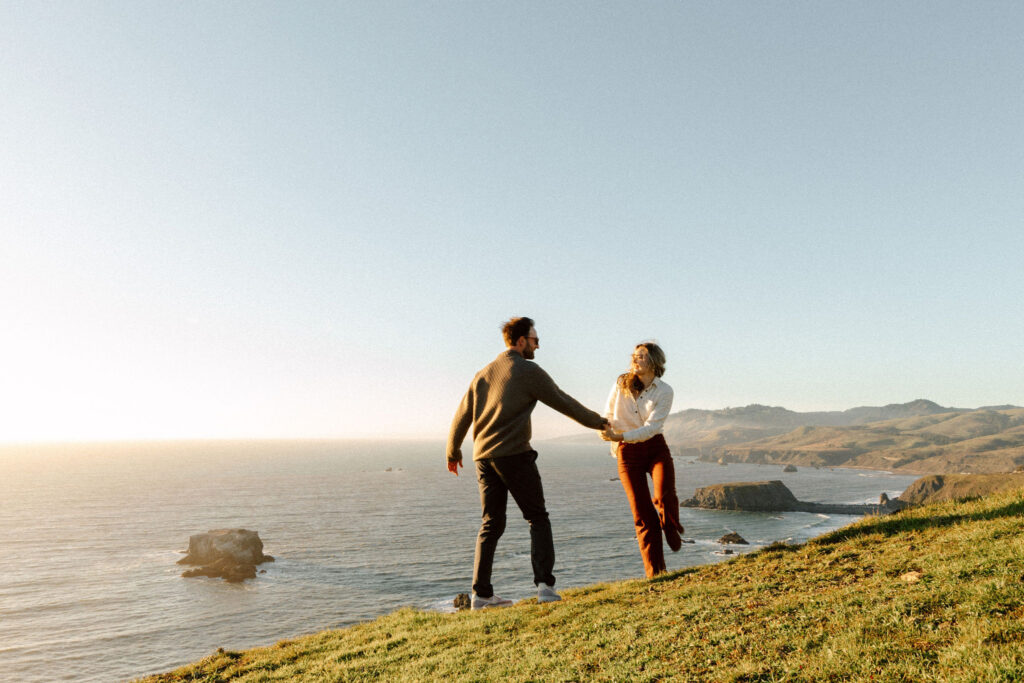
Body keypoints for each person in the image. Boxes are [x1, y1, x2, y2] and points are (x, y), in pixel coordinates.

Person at [447, 317, 608, 610]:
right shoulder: (526, 370)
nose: (538, 345)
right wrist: (600, 423)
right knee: (537, 518)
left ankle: (481, 595)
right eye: (535, 339)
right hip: (514, 455)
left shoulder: (483, 373)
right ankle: (545, 586)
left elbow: (462, 414)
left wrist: (453, 451)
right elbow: (563, 401)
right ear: (520, 341)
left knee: (491, 524)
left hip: (483, 457)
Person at [600, 341, 684, 578]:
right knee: (643, 515)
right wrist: (604, 428)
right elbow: (608, 412)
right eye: (634, 356)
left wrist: (621, 435)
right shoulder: (621, 384)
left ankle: (669, 525)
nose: (635, 360)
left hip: (654, 447)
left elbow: (652, 427)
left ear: (655, 362)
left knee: (665, 495)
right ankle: (656, 573)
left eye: (642, 356)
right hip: (627, 452)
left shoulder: (665, 390)